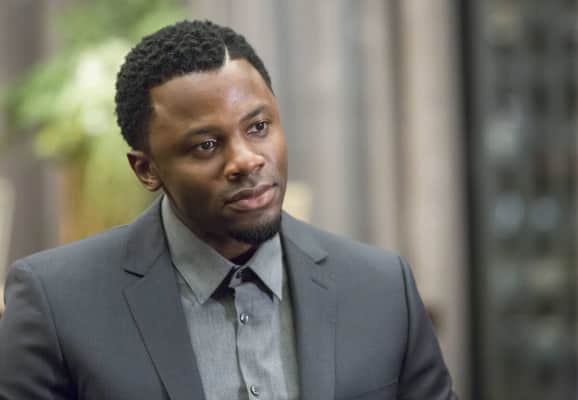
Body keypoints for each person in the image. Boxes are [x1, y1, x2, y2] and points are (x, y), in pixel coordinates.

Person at [0, 20, 456, 400]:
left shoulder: (382, 288)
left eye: (258, 127)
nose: (246, 160)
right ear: (146, 169)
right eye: (206, 145)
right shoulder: (56, 303)